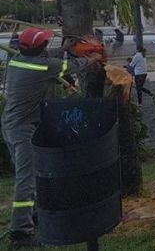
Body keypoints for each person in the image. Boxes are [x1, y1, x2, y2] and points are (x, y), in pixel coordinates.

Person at [3, 28, 102, 248]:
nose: (48, 46)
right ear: (40, 48)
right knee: (27, 179)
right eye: (45, 44)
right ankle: (20, 232)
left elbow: (48, 60)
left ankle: (34, 215)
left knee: (34, 173)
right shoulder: (43, 67)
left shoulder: (18, 60)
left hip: (13, 125)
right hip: (22, 129)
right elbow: (71, 66)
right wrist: (93, 58)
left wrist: (64, 48)